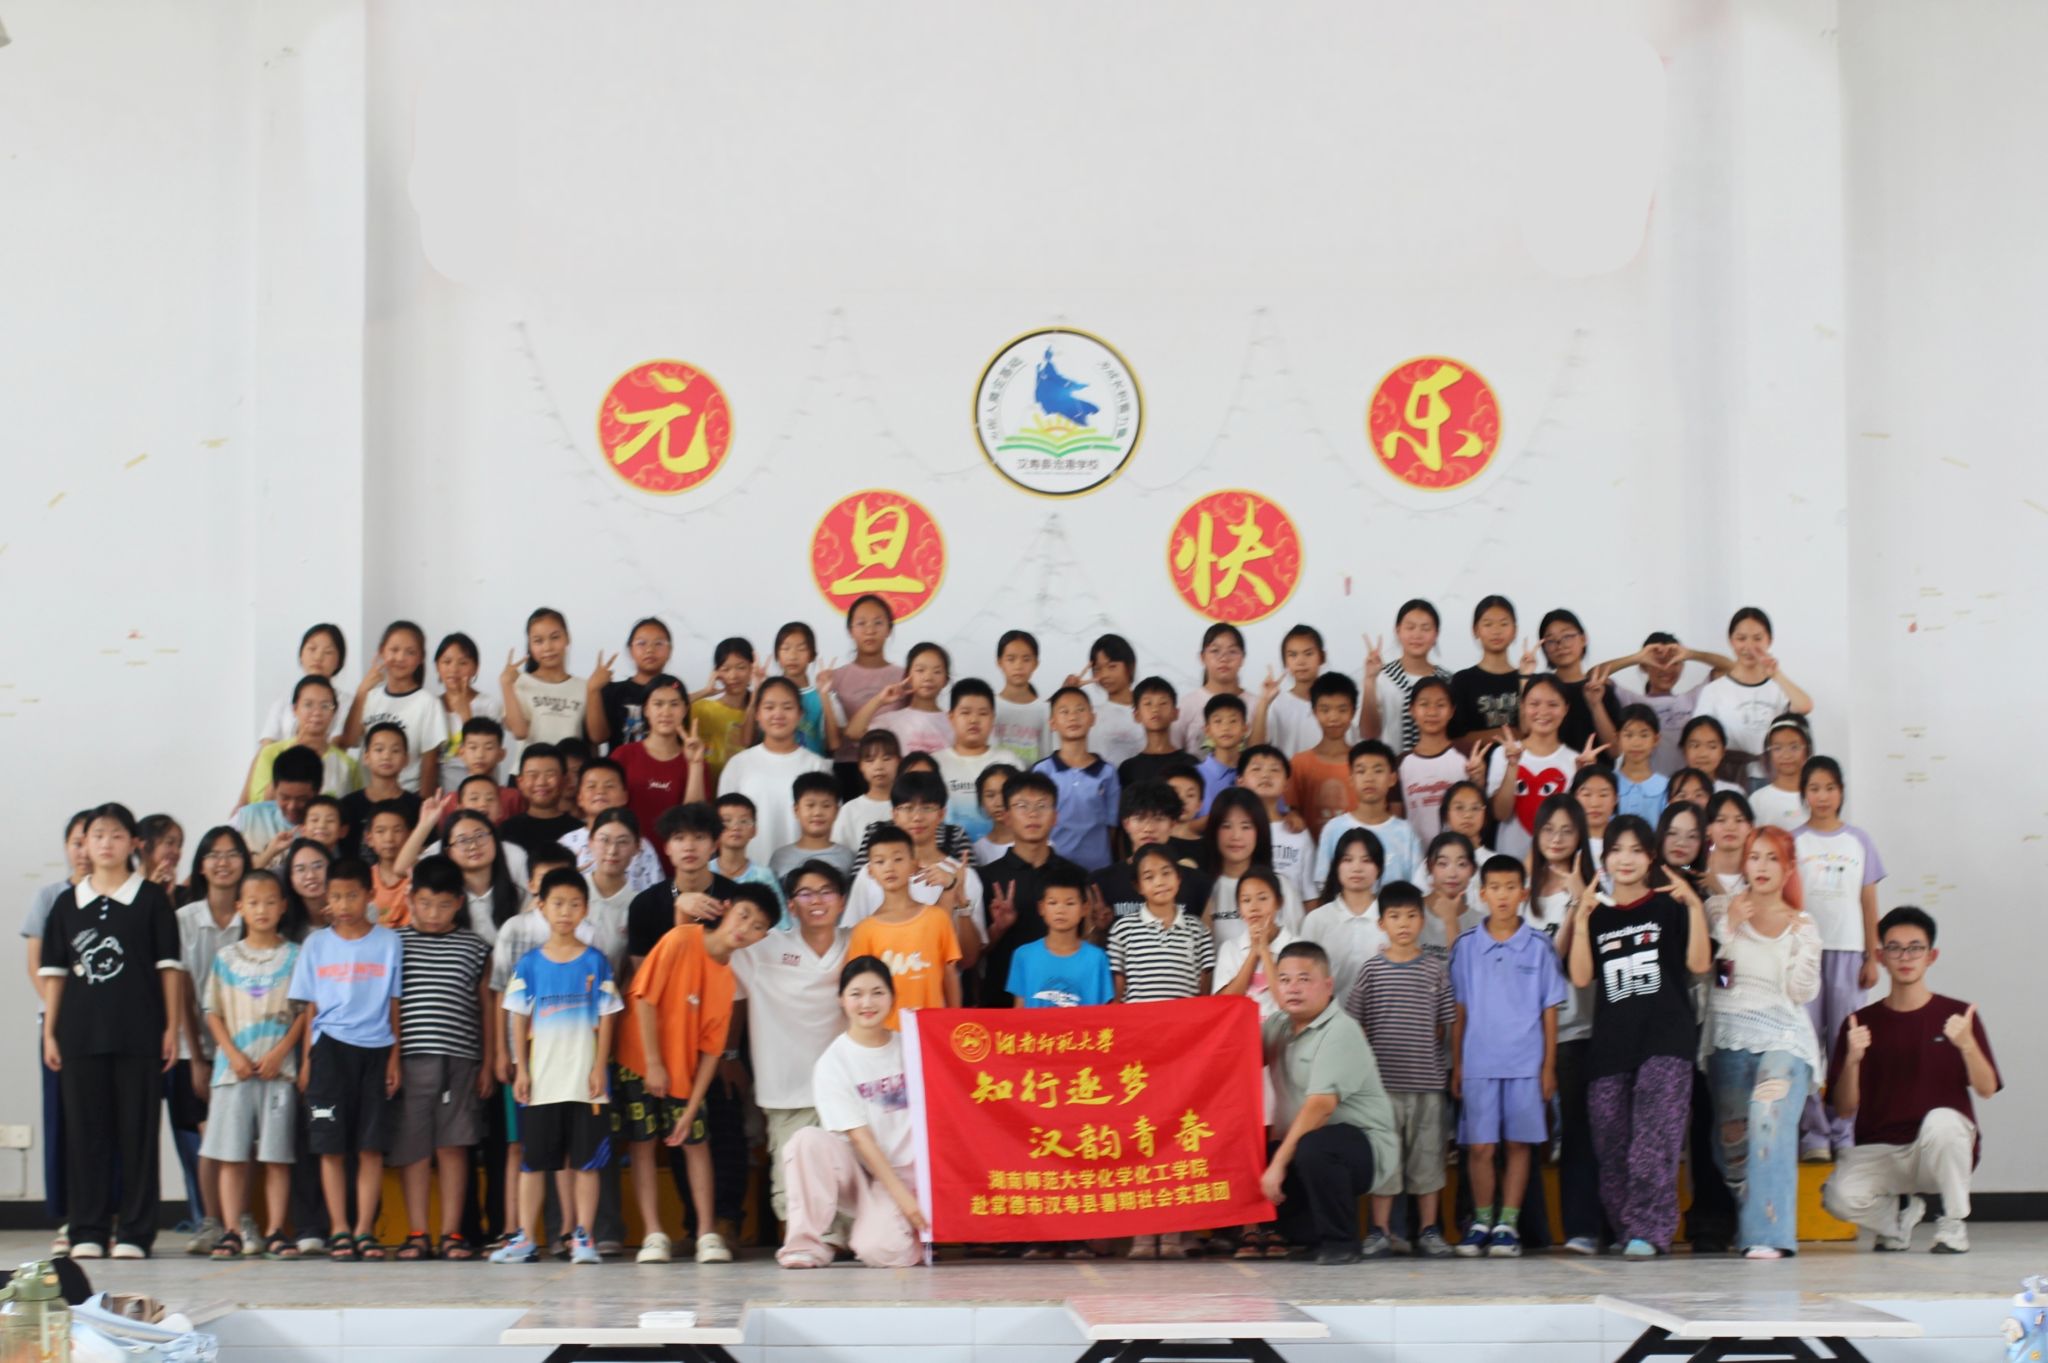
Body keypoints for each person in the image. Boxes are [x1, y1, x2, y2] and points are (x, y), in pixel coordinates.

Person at [40, 803, 183, 1259]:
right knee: (85, 1134)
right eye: (97, 835)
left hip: (139, 1033)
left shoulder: (152, 900)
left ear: (133, 843)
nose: (106, 843)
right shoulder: (67, 904)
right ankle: (87, 1229)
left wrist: (172, 1027)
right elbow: (55, 974)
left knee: (138, 1133)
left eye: (116, 835)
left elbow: (169, 969)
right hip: (79, 1036)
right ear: (85, 843)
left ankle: (136, 1233)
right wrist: (50, 1032)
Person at [1567, 815, 1711, 1258]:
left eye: (1635, 850)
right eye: (1616, 850)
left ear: (1651, 857)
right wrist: (1580, 918)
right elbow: (1581, 977)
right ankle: (1628, 1228)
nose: (1625, 859)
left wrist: (1695, 907)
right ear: (1604, 859)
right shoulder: (1596, 914)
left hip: (1666, 1040)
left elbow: (1700, 965)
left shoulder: (1670, 905)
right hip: (1611, 1046)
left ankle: (1650, 1230)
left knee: (1654, 1142)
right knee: (1611, 1145)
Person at [1822, 907, 2001, 1254]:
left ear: (1931, 956)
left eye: (1915, 948)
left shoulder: (1957, 1016)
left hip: (1939, 1150)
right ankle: (1896, 1220)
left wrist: (1966, 1044)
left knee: (1942, 1122)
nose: (1905, 957)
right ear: (1880, 957)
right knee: (1837, 1196)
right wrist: (1853, 1061)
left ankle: (1953, 1224)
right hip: (1881, 1150)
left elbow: (1987, 1089)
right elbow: (1844, 1108)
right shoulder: (1859, 1023)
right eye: (1895, 948)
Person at [616, 883, 776, 1264]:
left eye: (757, 926)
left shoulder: (727, 979)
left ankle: (707, 1233)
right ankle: (653, 1234)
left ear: (761, 938)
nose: (745, 928)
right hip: (639, 1061)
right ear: (726, 908)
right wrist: (654, 1063)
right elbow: (644, 999)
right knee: (642, 1145)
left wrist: (691, 1107)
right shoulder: (681, 938)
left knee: (695, 1141)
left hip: (683, 1072)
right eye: (743, 915)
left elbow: (711, 1051)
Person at [490, 868, 622, 1265]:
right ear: (541, 907)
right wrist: (522, 1069)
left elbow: (608, 1017)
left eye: (574, 904)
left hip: (585, 1082)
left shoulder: (596, 962)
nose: (566, 912)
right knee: (533, 1163)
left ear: (585, 910)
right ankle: (526, 1238)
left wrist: (599, 1068)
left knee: (586, 1164)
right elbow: (517, 1017)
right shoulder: (529, 964)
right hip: (543, 1081)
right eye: (558, 903)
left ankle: (583, 1236)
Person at [1703, 827, 1822, 1259]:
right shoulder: (1720, 909)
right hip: (1728, 1035)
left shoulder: (1803, 924)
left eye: (1773, 858)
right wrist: (1730, 928)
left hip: (1784, 1037)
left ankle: (1769, 1236)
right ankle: (1756, 1212)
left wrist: (1807, 948)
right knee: (1732, 1146)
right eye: (1755, 857)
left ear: (1788, 868)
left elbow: (1800, 993)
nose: (1763, 866)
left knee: (1768, 1114)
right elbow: (1717, 981)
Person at [1449, 856, 1566, 1258]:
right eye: (1495, 888)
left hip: (1525, 1064)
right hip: (1479, 1063)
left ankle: (1508, 1225)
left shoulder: (1539, 945)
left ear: (1523, 893)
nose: (1502, 895)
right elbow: (1459, 1011)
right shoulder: (1466, 946)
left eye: (1510, 887)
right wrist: (1458, 1064)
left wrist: (1548, 1067)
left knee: (1518, 1144)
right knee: (1480, 1147)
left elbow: (1550, 1011)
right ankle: (1481, 1221)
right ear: (1482, 894)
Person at [288, 858, 405, 1260]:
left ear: (369, 895)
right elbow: (310, 1009)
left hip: (375, 1050)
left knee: (370, 1148)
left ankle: (363, 1230)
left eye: (351, 895)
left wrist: (394, 1058)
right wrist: (308, 1061)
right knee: (331, 1146)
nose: (343, 904)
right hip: (329, 1052)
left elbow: (394, 1004)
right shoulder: (315, 944)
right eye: (335, 896)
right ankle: (339, 1228)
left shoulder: (389, 942)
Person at [778, 957, 925, 1269]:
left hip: (913, 1171)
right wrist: (903, 1200)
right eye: (856, 994)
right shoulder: (833, 1062)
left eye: (877, 993)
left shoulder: (914, 1047)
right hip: (862, 1174)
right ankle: (804, 1245)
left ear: (893, 997)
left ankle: (895, 1228)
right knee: (805, 1140)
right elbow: (860, 1138)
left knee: (880, 1251)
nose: (867, 1003)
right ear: (841, 1000)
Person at [1259, 941, 1398, 1265]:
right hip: (1312, 1143)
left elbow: (1320, 1107)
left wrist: (1278, 1164)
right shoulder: (1279, 1026)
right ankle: (1308, 1237)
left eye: (1304, 979)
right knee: (1261, 1152)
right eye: (1284, 980)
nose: (1293, 988)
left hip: (1363, 1147)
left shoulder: (1340, 1031)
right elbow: (1234, 1056)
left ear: (1328, 985)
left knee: (1313, 1147)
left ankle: (1342, 1242)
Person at [732, 862, 852, 1225]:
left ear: (842, 901)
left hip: (847, 1092)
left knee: (847, 1190)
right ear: (791, 905)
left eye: (826, 892)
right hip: (786, 1091)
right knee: (793, 1193)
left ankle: (835, 1242)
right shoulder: (763, 948)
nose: (817, 901)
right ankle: (804, 1245)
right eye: (806, 893)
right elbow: (715, 952)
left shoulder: (860, 941)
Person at [391, 855, 493, 1261]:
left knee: (454, 1145)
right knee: (413, 1147)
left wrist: (488, 1061)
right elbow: (388, 1005)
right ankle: (418, 1232)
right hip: (409, 1059)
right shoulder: (394, 943)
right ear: (411, 899)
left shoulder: (475, 946)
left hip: (460, 1061)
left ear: (459, 903)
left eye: (444, 905)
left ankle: (451, 1233)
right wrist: (390, 1060)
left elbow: (486, 1008)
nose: (433, 914)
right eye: (425, 904)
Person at [1345, 882, 1455, 1259]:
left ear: (1422, 921)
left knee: (1428, 1159)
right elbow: (1354, 1024)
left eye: (1411, 916)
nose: (1403, 923)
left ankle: (1428, 1229)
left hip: (1427, 1084)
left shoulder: (1435, 970)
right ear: (1381, 924)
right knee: (1385, 1160)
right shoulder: (1371, 970)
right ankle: (1380, 1231)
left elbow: (1444, 1025)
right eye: (1394, 916)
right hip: (1383, 1088)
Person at [199, 870, 305, 1260]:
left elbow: (305, 1012)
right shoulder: (226, 957)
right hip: (233, 1072)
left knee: (276, 1156)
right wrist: (232, 1054)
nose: (262, 910)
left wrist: (281, 1053)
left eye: (270, 902)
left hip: (280, 1072)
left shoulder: (295, 956)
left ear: (283, 906)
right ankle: (231, 1230)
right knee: (231, 1156)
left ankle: (276, 1230)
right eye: (254, 903)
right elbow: (212, 1012)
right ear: (240, 907)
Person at [1792, 755, 1885, 1160]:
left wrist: (1872, 956)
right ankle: (1813, 1133)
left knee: (1847, 1044)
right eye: (1814, 788)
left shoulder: (1859, 840)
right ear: (1804, 794)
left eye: (1830, 788)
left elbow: (1868, 902)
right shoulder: (1793, 841)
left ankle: (1843, 1129)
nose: (1823, 796)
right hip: (1806, 955)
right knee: (1806, 1044)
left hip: (1849, 953)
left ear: (1841, 792)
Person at [847, 827, 963, 1024]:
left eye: (898, 859)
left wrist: (954, 1022)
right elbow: (859, 987)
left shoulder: (937, 918)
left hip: (931, 1031)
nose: (889, 867)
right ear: (870, 871)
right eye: (880, 861)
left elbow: (949, 975)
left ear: (914, 864)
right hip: (884, 1033)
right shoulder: (864, 930)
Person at [719, 677, 835, 864]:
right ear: (757, 713)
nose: (778, 714)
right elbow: (722, 825)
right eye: (769, 707)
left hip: (804, 875)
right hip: (748, 873)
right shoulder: (738, 764)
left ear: (800, 714)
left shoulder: (816, 766)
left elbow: (828, 829)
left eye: (787, 707)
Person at [1690, 608, 1814, 782]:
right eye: (1741, 639)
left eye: (1757, 638)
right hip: (1729, 776)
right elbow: (1699, 736)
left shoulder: (1778, 687)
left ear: (1769, 640)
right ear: (1731, 641)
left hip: (1773, 777)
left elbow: (1805, 706)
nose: (1749, 647)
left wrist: (1776, 675)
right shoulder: (1714, 690)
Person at [1587, 632, 1734, 775]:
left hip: (1685, 785)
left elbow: (1730, 667)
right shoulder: (1633, 701)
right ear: (1644, 666)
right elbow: (1592, 676)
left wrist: (1690, 654)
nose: (1667, 669)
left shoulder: (1692, 698)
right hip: (1647, 783)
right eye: (1659, 662)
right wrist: (1637, 657)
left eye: (1674, 663)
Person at [1483, 675, 1592, 859]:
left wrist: (1585, 777)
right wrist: (1512, 765)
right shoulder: (1503, 754)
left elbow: (1577, 822)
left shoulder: (1575, 761)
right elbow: (1500, 814)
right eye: (1534, 704)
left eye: (1553, 704)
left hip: (1556, 863)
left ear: (1566, 709)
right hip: (1510, 864)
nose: (1543, 711)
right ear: (1523, 706)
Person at [1086, 780, 1213, 930]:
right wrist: (1099, 929)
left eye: (1158, 818)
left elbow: (1206, 938)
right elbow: (1087, 940)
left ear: (1172, 824)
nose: (1148, 828)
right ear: (1126, 824)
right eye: (1139, 818)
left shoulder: (1197, 883)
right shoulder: (1102, 882)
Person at [341, 620, 447, 793]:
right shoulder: (369, 696)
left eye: (410, 652)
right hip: (367, 795)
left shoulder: (428, 702)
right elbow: (349, 741)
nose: (400, 658)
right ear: (382, 651)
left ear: (421, 658)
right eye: (394, 650)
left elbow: (429, 764)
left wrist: (422, 804)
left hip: (407, 796)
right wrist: (362, 691)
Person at [613, 674, 710, 859]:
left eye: (674, 704)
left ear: (685, 709)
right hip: (628, 862)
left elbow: (694, 821)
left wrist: (695, 765)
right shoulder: (623, 755)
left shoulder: (697, 761)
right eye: (658, 704)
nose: (666, 712)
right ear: (646, 709)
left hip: (677, 862)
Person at [1311, 740, 1421, 891]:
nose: (1369, 778)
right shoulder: (1333, 829)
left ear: (1392, 779)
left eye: (1378, 771)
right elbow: (1324, 886)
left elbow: (1417, 887)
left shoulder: (1406, 832)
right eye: (1361, 771)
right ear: (1351, 779)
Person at [1203, 788, 1306, 945]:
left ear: (1260, 831)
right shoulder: (1205, 889)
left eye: (1246, 826)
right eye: (1226, 826)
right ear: (1214, 831)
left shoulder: (1281, 885)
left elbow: (1298, 945)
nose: (1236, 836)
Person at [1034, 686, 1119, 872]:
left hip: (1098, 868)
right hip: (1053, 868)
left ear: (1092, 718)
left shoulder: (1107, 772)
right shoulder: (1042, 771)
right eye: (1064, 712)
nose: (1073, 717)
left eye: (1080, 710)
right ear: (1052, 723)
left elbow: (1112, 827)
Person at [1006, 863, 1112, 1010]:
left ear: (1085, 908)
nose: (1060, 910)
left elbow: (1103, 1013)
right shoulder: (1024, 955)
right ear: (1041, 908)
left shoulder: (1096, 958)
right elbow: (1019, 1010)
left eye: (1070, 903)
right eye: (1053, 903)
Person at [243, 676, 361, 805]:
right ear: (295, 709)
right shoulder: (271, 753)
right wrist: (290, 759)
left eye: (325, 706)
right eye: (308, 704)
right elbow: (259, 804)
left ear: (334, 712)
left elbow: (354, 808)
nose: (317, 712)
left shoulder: (348, 765)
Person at [1301, 827, 1386, 1003]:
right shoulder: (1317, 920)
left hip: (1382, 1016)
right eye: (1348, 860)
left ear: (1379, 868)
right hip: (1330, 1017)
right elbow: (1304, 976)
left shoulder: (1392, 919)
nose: (1357, 868)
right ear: (1337, 867)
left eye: (1366, 860)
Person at [932, 678, 1021, 842]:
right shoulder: (935, 763)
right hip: (949, 853)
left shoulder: (1008, 761)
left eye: (983, 713)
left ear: (993, 718)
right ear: (951, 717)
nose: (974, 720)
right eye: (965, 713)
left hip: (1001, 852)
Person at [1361, 599, 1454, 757]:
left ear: (1436, 634)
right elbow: (1368, 733)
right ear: (1398, 631)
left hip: (1440, 765)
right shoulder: (1382, 677)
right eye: (1410, 627)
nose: (1417, 635)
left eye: (1425, 628)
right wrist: (1369, 681)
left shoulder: (1447, 681)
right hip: (1391, 766)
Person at [501, 607, 605, 746]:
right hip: (531, 761)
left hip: (570, 760)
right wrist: (506, 684)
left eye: (555, 637)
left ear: (567, 638)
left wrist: (594, 690)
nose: (548, 647)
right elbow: (519, 732)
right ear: (530, 646)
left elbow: (598, 738)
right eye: (538, 641)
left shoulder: (586, 687)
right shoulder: (520, 683)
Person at [1249, 624, 1353, 759]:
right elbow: (1254, 750)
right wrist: (1264, 702)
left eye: (1308, 654)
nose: (1301, 661)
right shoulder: (1277, 703)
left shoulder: (1340, 701)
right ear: (1285, 662)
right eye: (1293, 655)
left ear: (1322, 657)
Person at [1533, 608, 1622, 754]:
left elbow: (1615, 751)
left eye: (1567, 636)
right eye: (1551, 640)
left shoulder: (1602, 689)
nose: (1560, 644)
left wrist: (1596, 705)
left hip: (1595, 768)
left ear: (1583, 639)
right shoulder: (1540, 690)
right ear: (1544, 648)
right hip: (1552, 768)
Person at [847, 641, 955, 756]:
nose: (928, 677)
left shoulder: (954, 722)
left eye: (937, 671)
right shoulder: (891, 721)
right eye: (920, 670)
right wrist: (880, 700)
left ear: (946, 680)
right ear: (908, 676)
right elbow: (853, 733)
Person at [1286, 672, 1359, 840]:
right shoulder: (1299, 763)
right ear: (1314, 711)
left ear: (1353, 712)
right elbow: (1290, 812)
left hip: (1356, 851)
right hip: (1311, 851)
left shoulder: (1362, 763)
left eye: (1342, 710)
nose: (1333, 717)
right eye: (1325, 710)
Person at [1448, 597, 1528, 750]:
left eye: (1504, 624)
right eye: (1488, 624)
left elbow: (1535, 732)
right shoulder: (1462, 681)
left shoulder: (1527, 679)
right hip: (1475, 763)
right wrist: (1505, 733)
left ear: (1515, 631)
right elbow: (1456, 737)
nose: (1496, 631)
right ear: (1475, 630)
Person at [257, 623, 351, 748]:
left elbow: (337, 745)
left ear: (339, 661)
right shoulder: (283, 703)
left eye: (328, 652)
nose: (318, 657)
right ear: (301, 655)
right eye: (312, 649)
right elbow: (265, 749)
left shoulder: (347, 703)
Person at [234, 744, 323, 871]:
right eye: (284, 797)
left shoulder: (326, 825)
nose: (291, 806)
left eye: (301, 799)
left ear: (318, 791)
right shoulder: (247, 817)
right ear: (274, 788)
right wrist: (268, 854)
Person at [433, 634, 506, 790]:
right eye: (447, 662)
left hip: (481, 791)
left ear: (475, 668)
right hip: (445, 794)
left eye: (463, 663)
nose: (454, 669)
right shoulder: (432, 705)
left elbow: (491, 756)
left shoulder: (489, 704)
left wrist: (465, 715)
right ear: (437, 667)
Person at [1397, 677, 1464, 843]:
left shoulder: (1468, 753)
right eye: (1424, 704)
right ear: (1412, 710)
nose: (1432, 712)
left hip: (1460, 853)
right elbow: (1396, 819)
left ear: (1452, 711)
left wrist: (1479, 777)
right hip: (1416, 855)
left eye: (1440, 705)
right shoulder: (1401, 763)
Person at [592, 617, 676, 751]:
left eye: (659, 643)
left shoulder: (676, 692)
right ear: (630, 650)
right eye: (641, 643)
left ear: (670, 650)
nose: (650, 649)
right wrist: (592, 690)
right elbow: (598, 737)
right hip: (619, 764)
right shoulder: (614, 691)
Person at [760, 621, 839, 759]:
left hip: (812, 769)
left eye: (801, 649)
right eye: (786, 648)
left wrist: (824, 696)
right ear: (777, 655)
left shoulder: (823, 695)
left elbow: (833, 744)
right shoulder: (766, 694)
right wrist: (757, 690)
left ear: (812, 655)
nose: (793, 656)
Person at [1172, 623, 1248, 756]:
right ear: (1202, 657)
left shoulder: (1258, 705)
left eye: (1232, 651)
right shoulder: (1187, 705)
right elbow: (1173, 752)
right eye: (1215, 651)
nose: (1224, 658)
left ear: (1242, 658)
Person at [1075, 632, 1145, 769]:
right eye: (1097, 669)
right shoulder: (1090, 715)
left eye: (1112, 666)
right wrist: (1067, 693)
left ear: (1130, 666)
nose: (1104, 675)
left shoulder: (1150, 711)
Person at [770, 772, 854, 884]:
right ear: (796, 810)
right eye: (810, 805)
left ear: (836, 811)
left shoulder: (847, 857)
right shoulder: (780, 857)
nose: (817, 812)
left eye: (826, 806)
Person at [497, 745, 579, 858]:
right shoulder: (506, 830)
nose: (541, 782)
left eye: (550, 774)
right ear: (520, 782)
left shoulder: (578, 831)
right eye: (533, 775)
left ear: (564, 780)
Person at [832, 729, 901, 850]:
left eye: (886, 759)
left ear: (899, 761)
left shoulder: (909, 806)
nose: (879, 766)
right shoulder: (849, 811)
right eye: (870, 760)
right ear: (860, 766)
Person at [992, 629, 1051, 767]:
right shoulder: (988, 707)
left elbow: (1047, 756)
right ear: (999, 662)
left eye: (1026, 659)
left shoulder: (1045, 710)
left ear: (1036, 663)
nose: (1018, 666)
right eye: (1011, 659)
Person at [1116, 675, 1186, 791]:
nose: (1155, 709)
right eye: (1148, 703)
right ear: (1137, 715)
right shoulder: (1128, 769)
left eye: (1163, 703)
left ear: (1175, 713)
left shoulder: (1189, 764)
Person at [1749, 716, 1813, 830]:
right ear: (1769, 753)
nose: (1786, 755)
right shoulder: (1757, 799)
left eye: (1794, 747)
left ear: (1807, 750)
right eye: (1777, 748)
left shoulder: (1816, 797)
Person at [1612, 704, 1670, 822]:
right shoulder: (1608, 783)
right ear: (1617, 738)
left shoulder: (1666, 787)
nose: (1636, 743)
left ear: (1656, 739)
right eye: (1628, 735)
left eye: (1644, 735)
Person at [1195, 693, 1247, 813]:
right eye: (1218, 721)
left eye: (1233, 721)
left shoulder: (1256, 772)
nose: (1226, 728)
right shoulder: (1194, 776)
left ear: (1245, 728)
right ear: (1207, 730)